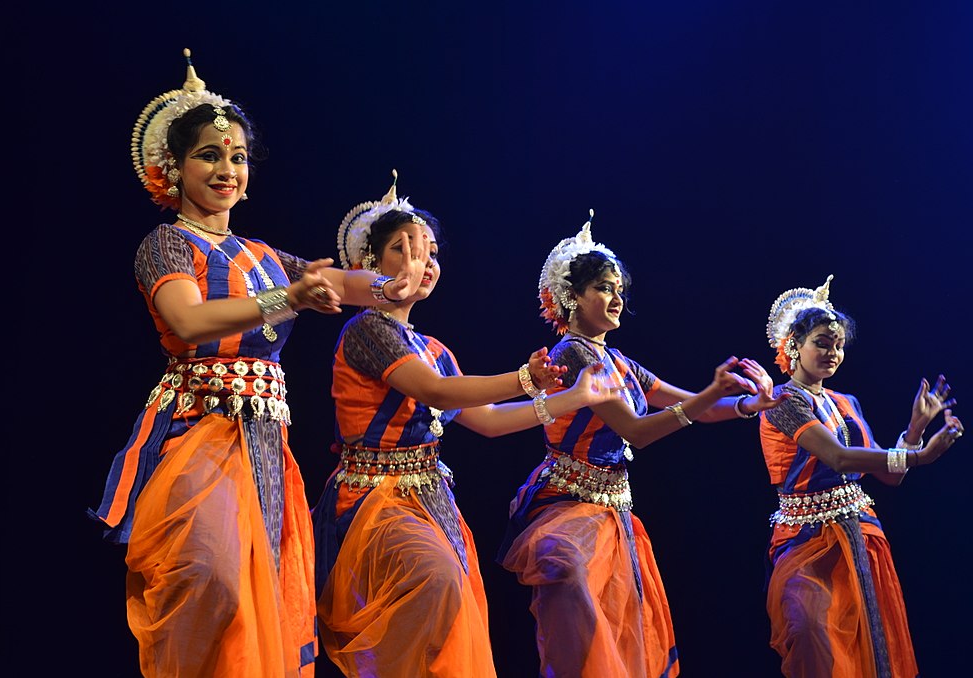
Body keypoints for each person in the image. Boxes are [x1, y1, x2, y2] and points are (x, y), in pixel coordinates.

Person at [88, 50, 431, 678]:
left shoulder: (263, 253)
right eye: (209, 155)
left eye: (238, 157)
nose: (227, 169)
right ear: (173, 166)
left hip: (264, 443)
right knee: (209, 575)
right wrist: (287, 297)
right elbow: (189, 321)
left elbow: (349, 284)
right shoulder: (166, 243)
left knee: (254, 595)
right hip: (197, 432)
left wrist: (400, 277)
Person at [310, 177, 621, 678]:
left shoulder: (433, 348)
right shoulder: (366, 328)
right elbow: (435, 393)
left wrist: (571, 397)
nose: (421, 261)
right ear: (370, 265)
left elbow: (489, 422)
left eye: (428, 251)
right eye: (403, 249)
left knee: (448, 611)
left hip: (428, 500)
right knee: (433, 582)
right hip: (370, 503)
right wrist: (522, 378)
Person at [497, 211, 787, 678]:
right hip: (565, 506)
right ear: (572, 297)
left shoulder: (621, 363)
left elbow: (693, 405)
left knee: (621, 624)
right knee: (577, 602)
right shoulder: (571, 354)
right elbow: (637, 430)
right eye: (604, 289)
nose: (616, 299)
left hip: (613, 511)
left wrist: (747, 405)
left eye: (618, 290)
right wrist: (713, 395)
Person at [759, 275, 963, 677]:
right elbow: (839, 458)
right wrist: (920, 457)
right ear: (794, 347)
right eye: (821, 342)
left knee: (868, 642)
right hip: (805, 541)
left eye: (838, 345)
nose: (832, 352)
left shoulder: (844, 402)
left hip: (860, 537)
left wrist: (914, 429)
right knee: (812, 633)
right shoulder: (782, 402)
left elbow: (888, 477)